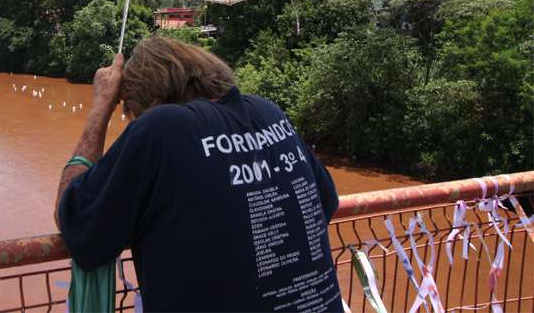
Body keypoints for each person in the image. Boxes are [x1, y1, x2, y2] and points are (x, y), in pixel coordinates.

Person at [54, 37, 342, 312]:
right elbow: (326, 201)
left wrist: (102, 105)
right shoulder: (270, 113)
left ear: (152, 99)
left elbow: (77, 220)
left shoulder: (161, 128)